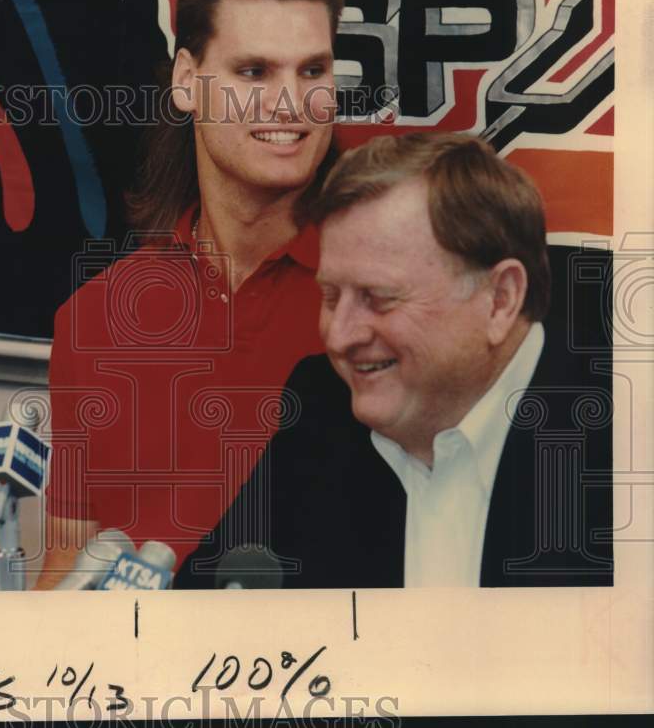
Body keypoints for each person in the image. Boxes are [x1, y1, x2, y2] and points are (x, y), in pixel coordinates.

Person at [38, 0, 347, 587]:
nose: (291, 101)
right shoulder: (91, 319)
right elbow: (67, 559)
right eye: (254, 71)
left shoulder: (377, 298)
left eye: (313, 70)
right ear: (187, 81)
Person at [176, 132, 614, 589]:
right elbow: (215, 599)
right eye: (330, 296)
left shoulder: (623, 443)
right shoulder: (320, 405)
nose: (340, 336)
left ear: (499, 300)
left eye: (379, 298)